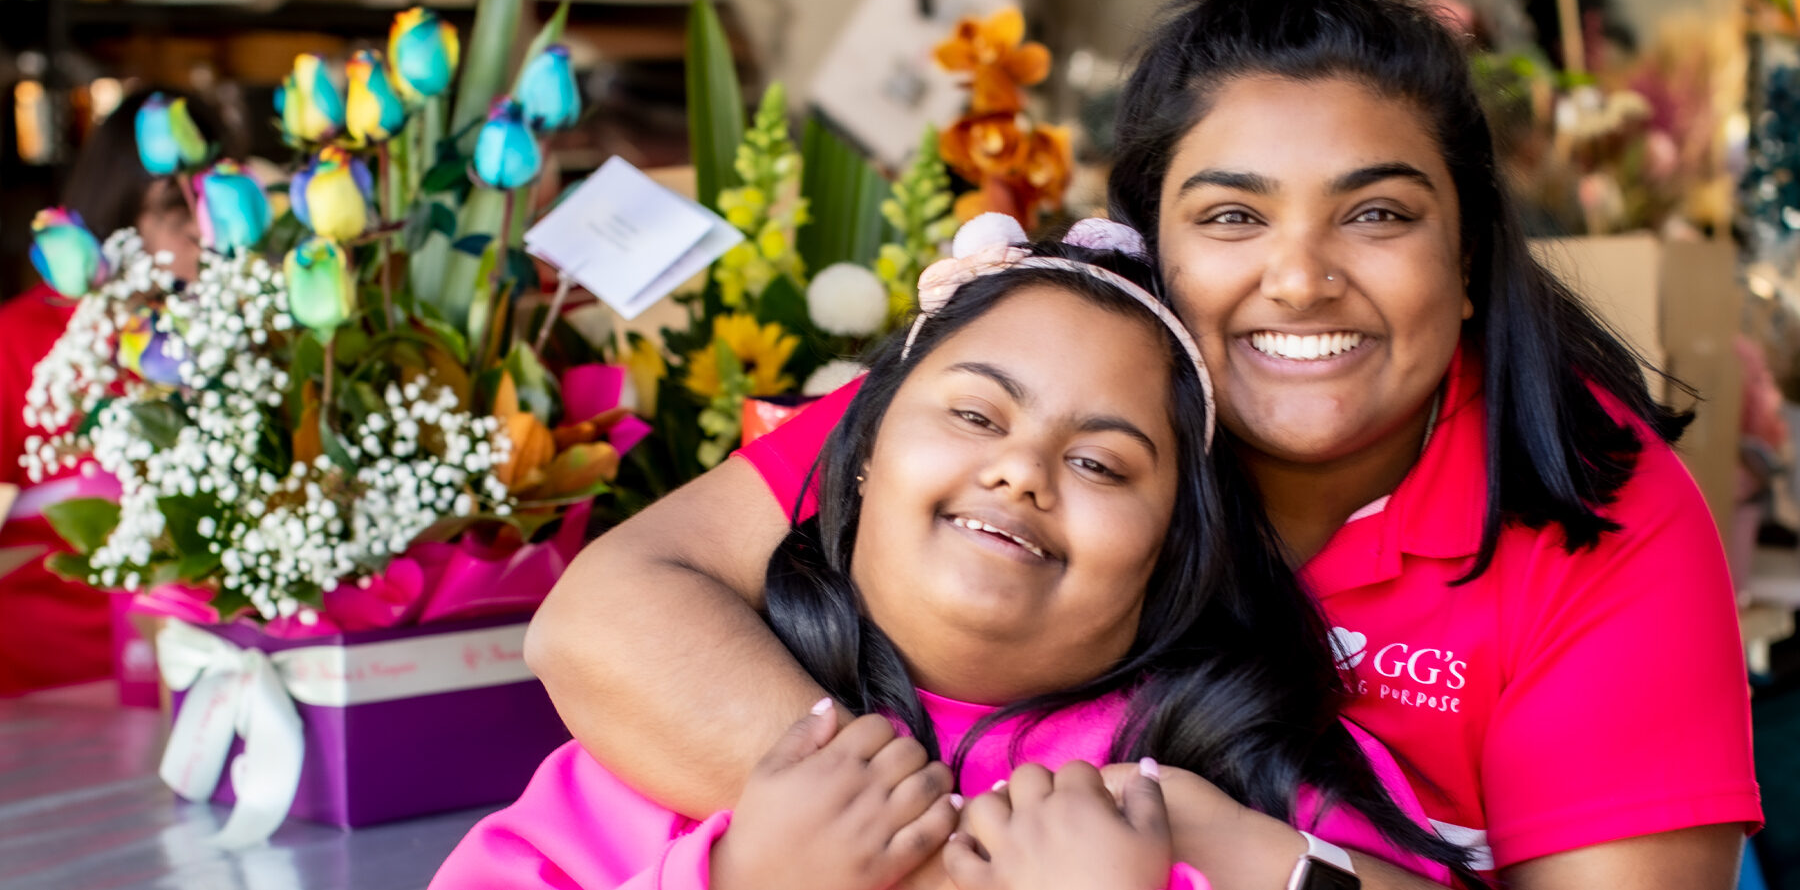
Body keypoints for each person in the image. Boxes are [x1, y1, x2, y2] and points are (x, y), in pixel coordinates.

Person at [524, 0, 1760, 890]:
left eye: (1378, 214)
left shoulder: (1598, 510)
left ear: (1470, 253)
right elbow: (606, 616)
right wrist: (931, 862)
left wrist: (1233, 851)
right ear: (1145, 249)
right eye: (1230, 216)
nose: (1300, 277)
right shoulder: (1026, 408)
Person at [436, 219, 1474, 890]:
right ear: (855, 462)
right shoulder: (689, 725)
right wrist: (743, 877)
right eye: (976, 413)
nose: (1022, 471)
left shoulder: (1240, 770)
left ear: (1175, 554)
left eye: (1102, 464)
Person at [0, 88, 213, 695]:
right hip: (46, 693)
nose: (203, 232)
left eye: (216, 204)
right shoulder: (20, 341)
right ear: (117, 212)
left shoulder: (238, 340)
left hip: (203, 681)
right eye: (175, 208)